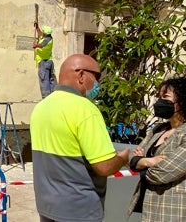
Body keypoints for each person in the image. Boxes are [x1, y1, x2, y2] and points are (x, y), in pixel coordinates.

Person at [30, 54, 130, 222]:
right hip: (79, 210)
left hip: (47, 206)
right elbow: (104, 166)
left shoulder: (41, 107)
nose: (97, 83)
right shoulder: (85, 109)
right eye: (96, 76)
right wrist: (121, 159)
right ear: (82, 76)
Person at [127, 75, 186, 221]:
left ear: (185, 100)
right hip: (151, 210)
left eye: (165, 96)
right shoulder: (158, 129)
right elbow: (131, 158)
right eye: (159, 97)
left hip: (178, 213)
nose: (160, 101)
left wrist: (141, 161)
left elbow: (161, 174)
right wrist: (149, 161)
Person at [32, 22, 56, 98]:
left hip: (44, 62)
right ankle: (53, 94)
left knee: (44, 80)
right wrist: (37, 28)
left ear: (45, 33)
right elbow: (40, 34)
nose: (42, 32)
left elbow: (42, 45)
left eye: (43, 31)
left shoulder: (47, 41)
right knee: (51, 79)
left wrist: (36, 45)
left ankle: (46, 97)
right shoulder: (47, 37)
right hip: (49, 61)